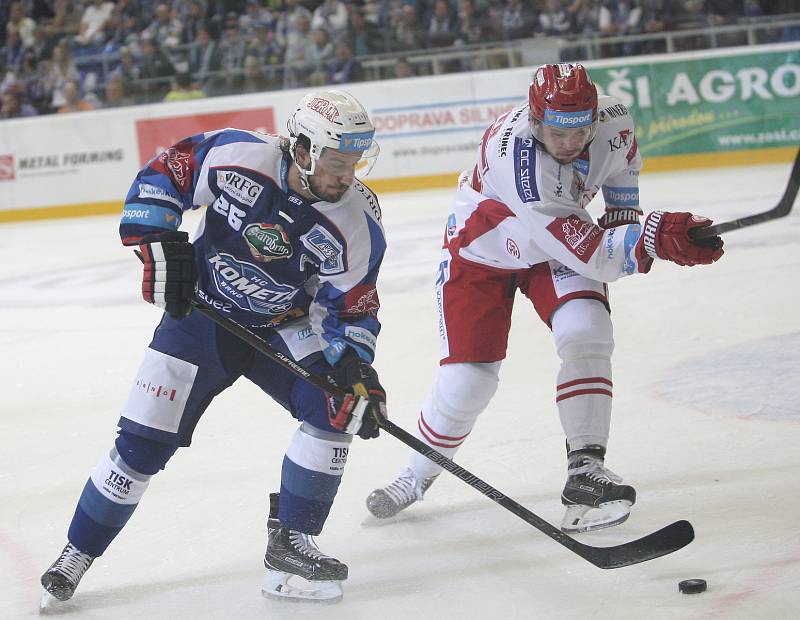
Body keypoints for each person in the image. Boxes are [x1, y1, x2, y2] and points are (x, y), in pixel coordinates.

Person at [40, 89, 386, 606]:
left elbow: (351, 308)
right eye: (337, 161)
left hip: (283, 327)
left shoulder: (358, 220)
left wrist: (354, 364)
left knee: (335, 407)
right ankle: (78, 552)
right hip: (199, 320)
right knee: (141, 446)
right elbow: (167, 174)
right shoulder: (239, 154)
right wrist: (155, 242)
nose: (347, 174)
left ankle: (291, 544)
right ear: (305, 150)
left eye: (354, 162)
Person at [366, 63, 724, 534]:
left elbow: (620, 189)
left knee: (587, 331)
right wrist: (653, 239)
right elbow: (598, 255)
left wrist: (639, 232)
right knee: (468, 382)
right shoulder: (521, 163)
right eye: (557, 132)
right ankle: (416, 475)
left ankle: (586, 471)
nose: (570, 144)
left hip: (553, 245)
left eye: (580, 130)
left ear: (595, 117)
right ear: (536, 121)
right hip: (483, 252)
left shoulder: (616, 123)